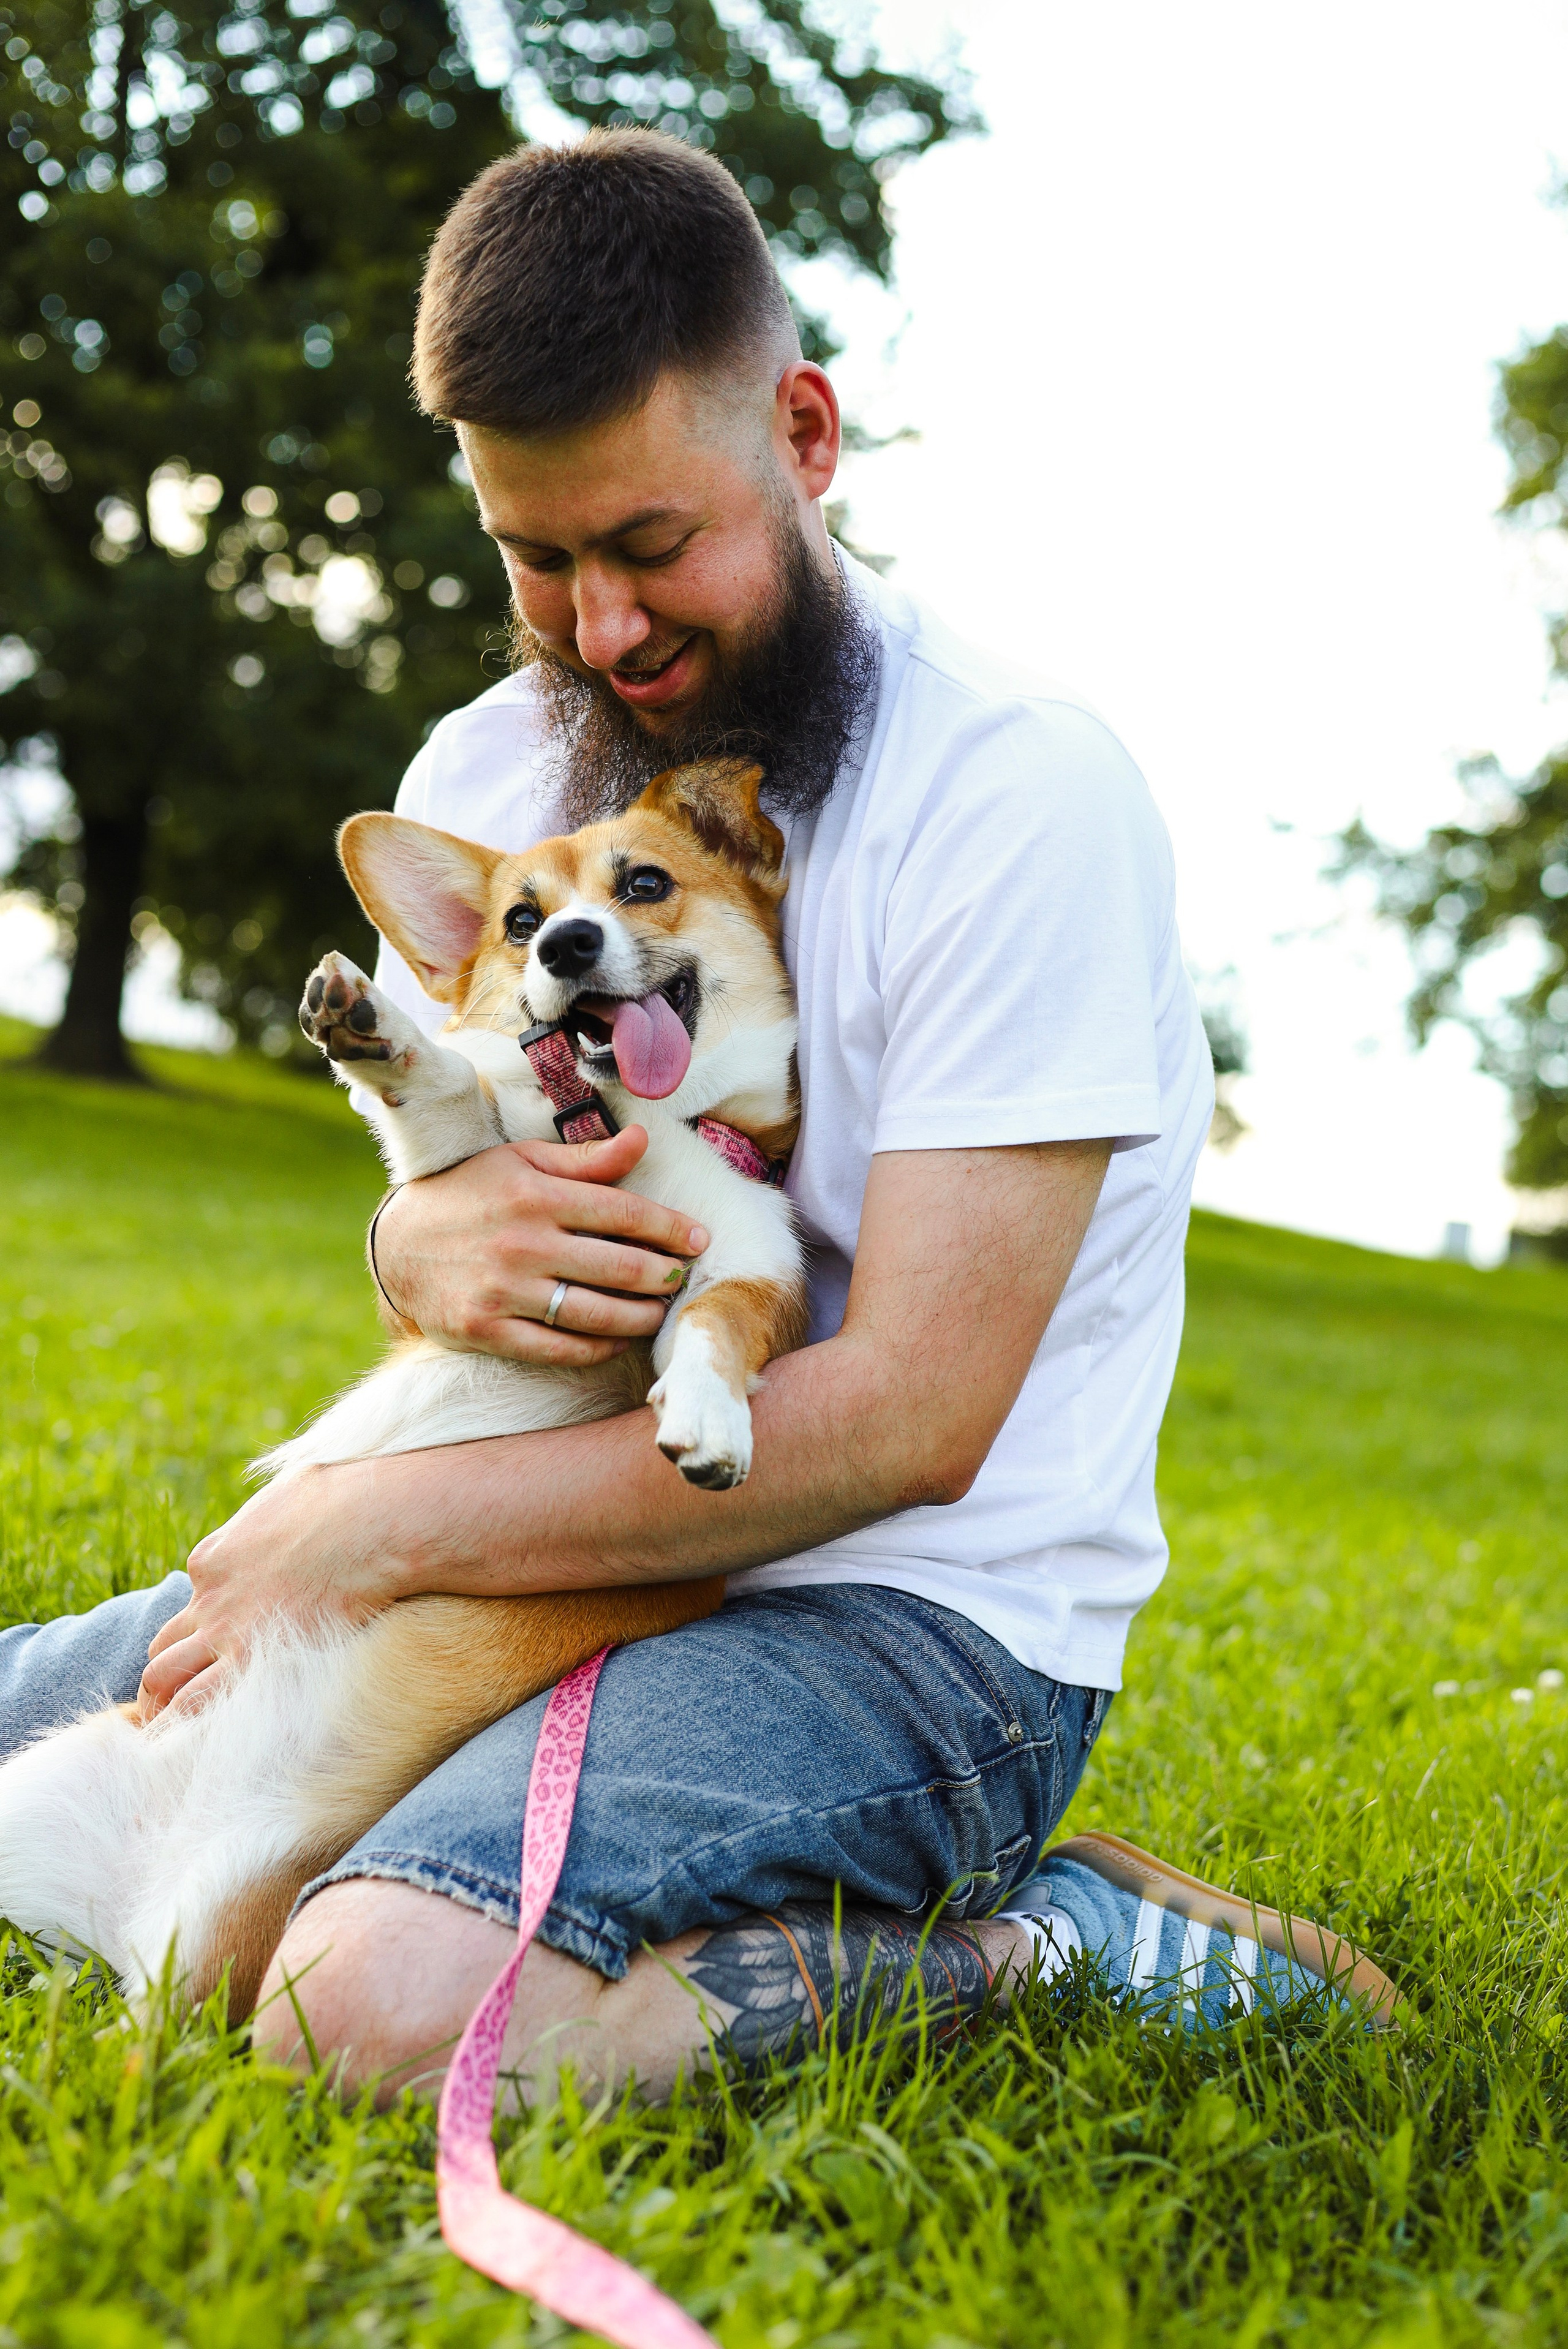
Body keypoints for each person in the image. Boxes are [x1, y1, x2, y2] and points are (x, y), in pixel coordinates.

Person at [0, 131, 1396, 2094]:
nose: (600, 627)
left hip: (902, 1621)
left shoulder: (1017, 798)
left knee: (366, 2010)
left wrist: (364, 1528)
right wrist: (416, 1239)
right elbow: (453, 1231)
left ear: (805, 436)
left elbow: (910, 1415)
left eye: (652, 544)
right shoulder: (492, 775)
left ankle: (1053, 1943)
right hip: (529, 1557)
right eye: (535, 556)